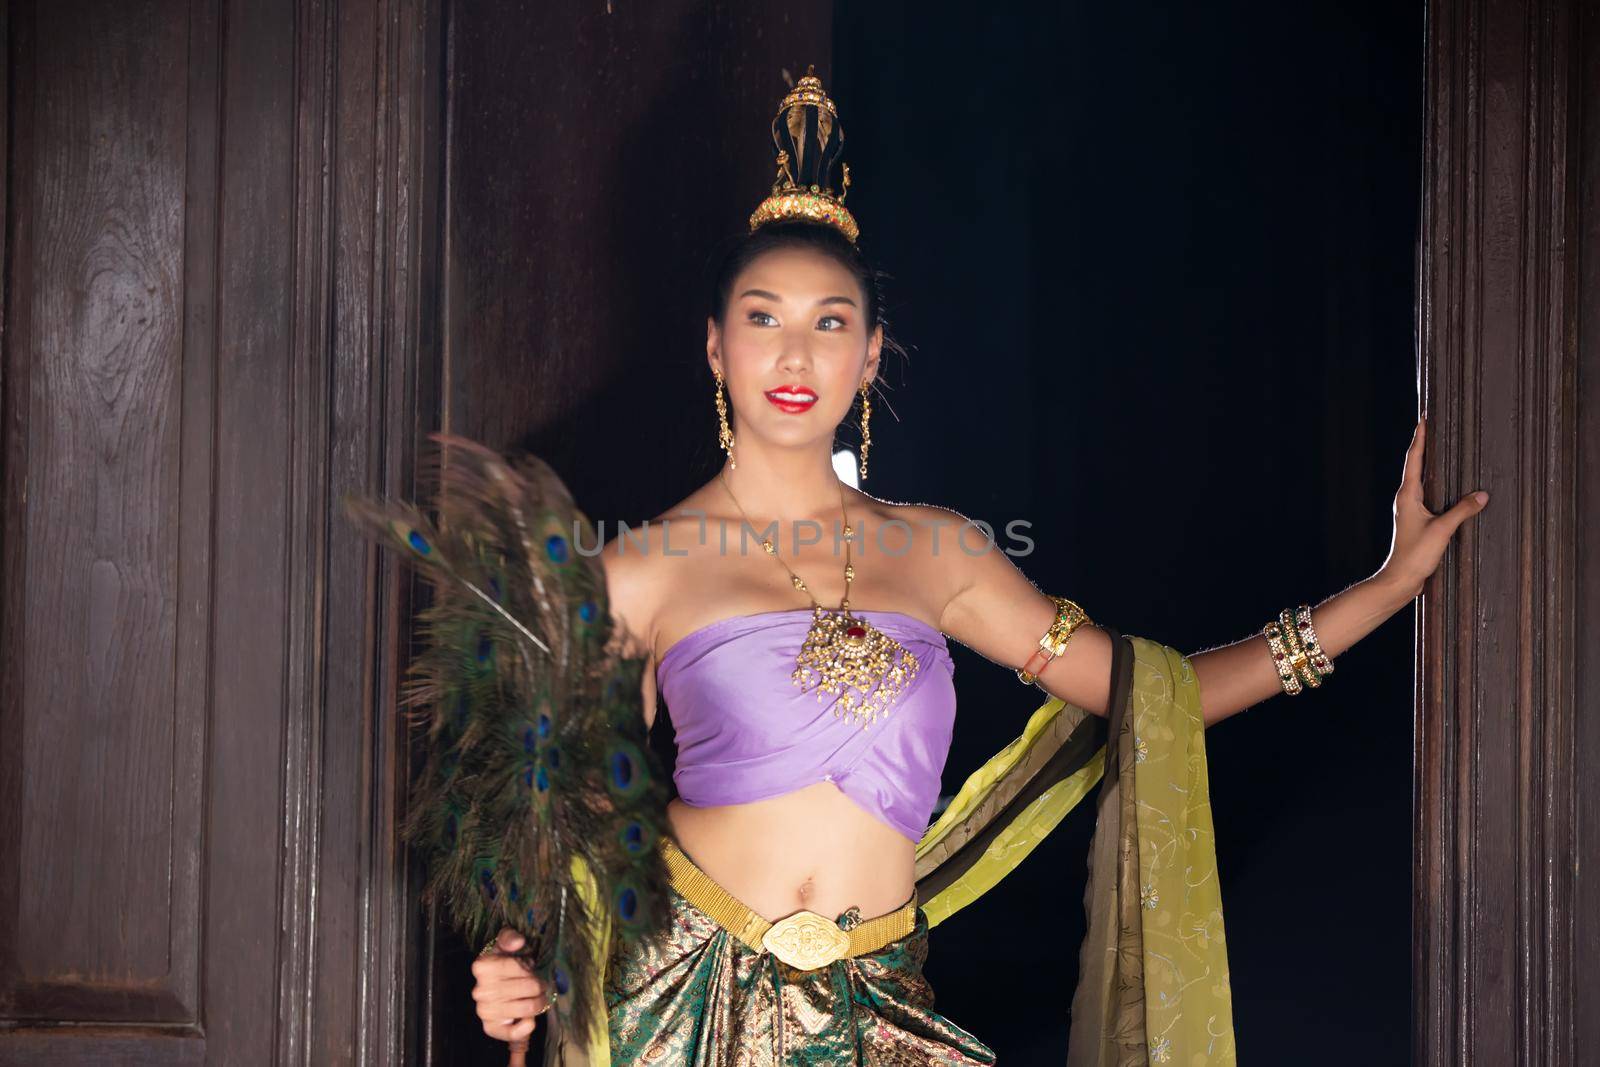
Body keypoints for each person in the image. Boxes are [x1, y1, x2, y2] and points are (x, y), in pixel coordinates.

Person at [465, 67, 1488, 1066]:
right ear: (714, 346)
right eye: (762, 317)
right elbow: (573, 839)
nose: (794, 355)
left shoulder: (938, 549)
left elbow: (1151, 694)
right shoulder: (637, 569)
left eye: (831, 323)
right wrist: (517, 963)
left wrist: (1383, 589)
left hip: (881, 1007)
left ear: (869, 355)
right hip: (679, 1007)